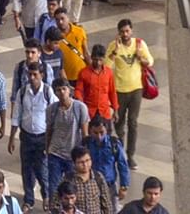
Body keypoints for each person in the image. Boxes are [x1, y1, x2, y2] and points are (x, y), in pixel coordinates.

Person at [105, 19, 152, 169]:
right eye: (122, 31)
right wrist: (114, 52)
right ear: (118, 32)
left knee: (133, 122)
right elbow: (106, 66)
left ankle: (130, 155)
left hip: (136, 89)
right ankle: (119, 150)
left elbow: (149, 62)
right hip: (119, 90)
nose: (125, 34)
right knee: (119, 123)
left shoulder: (139, 44)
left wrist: (140, 57)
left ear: (131, 31)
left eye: (127, 31)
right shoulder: (113, 46)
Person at [7, 61, 52, 212]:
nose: (32, 78)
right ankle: (28, 200)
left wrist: (51, 140)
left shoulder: (48, 92)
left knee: (42, 169)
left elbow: (53, 114)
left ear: (42, 75)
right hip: (26, 136)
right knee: (26, 170)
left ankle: (47, 196)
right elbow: (16, 115)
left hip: (42, 138)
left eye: (35, 75)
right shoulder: (22, 92)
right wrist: (12, 137)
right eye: (30, 74)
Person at [45, 78, 89, 198]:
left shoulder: (80, 108)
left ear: (69, 90)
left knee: (72, 188)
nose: (62, 92)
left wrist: (85, 156)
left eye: (64, 89)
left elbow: (85, 134)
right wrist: (47, 149)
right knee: (53, 187)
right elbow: (48, 131)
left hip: (72, 155)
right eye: (58, 90)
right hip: (55, 153)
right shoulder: (51, 109)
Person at [84, 117, 128, 204]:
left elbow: (122, 164)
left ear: (106, 130)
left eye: (101, 132)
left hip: (109, 185)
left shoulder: (114, 144)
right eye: (95, 133)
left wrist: (123, 186)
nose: (99, 136)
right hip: (91, 185)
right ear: (90, 131)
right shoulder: (86, 144)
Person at [65, 147, 113, 214]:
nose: (85, 165)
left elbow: (106, 203)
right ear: (74, 163)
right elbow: (57, 202)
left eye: (87, 160)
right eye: (81, 162)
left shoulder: (98, 177)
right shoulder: (69, 179)